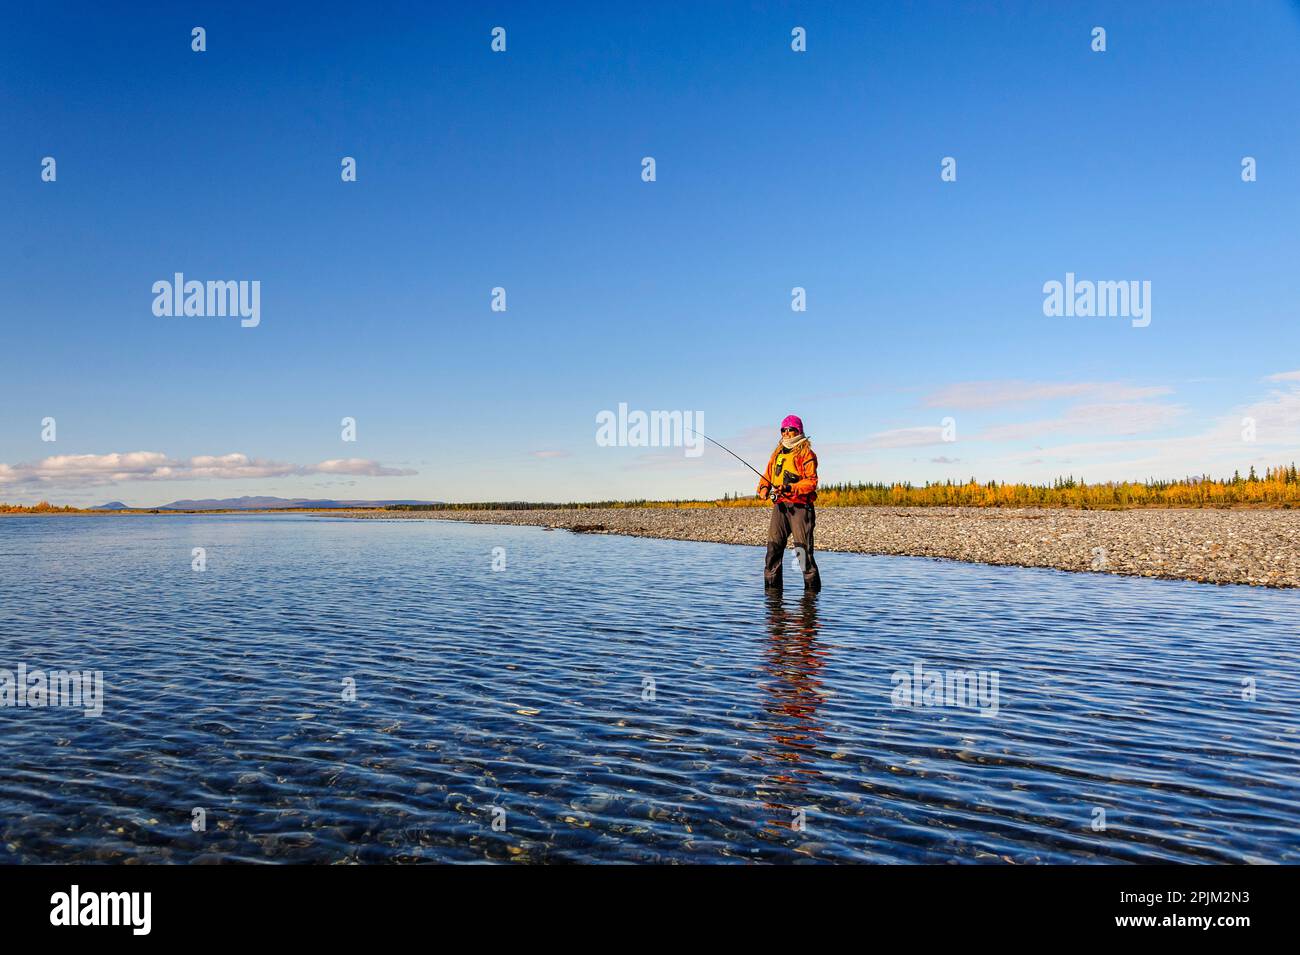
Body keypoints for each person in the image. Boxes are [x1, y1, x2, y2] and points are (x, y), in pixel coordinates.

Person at [755, 415, 822, 591]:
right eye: (783, 430)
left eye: (790, 429)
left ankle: (811, 603)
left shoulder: (806, 453)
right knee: (772, 552)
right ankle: (772, 603)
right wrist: (763, 489)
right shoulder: (777, 454)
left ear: (798, 431)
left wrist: (789, 488)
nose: (786, 433)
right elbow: (766, 477)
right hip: (780, 507)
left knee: (802, 555)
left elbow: (811, 482)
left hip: (800, 508)